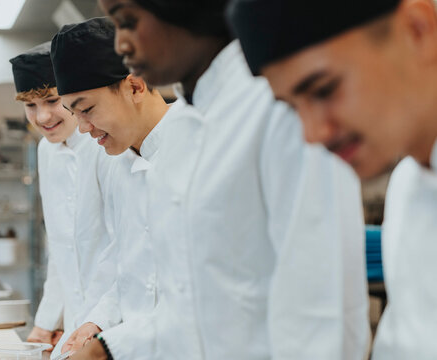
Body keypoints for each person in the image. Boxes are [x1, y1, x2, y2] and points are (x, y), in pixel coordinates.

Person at [67, 1, 369, 359]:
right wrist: (108, 347)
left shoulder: (277, 106)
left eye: (128, 21)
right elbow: (191, 306)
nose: (121, 45)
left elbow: (323, 307)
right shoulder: (180, 129)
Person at [228, 0, 437, 358]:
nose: (312, 133)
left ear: (418, 29)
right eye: (293, 107)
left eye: (324, 90)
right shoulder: (408, 186)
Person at [49, 18, 172, 358]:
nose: (84, 128)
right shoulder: (120, 165)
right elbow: (130, 271)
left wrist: (109, 348)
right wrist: (97, 324)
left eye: (87, 109)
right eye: (75, 114)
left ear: (135, 87)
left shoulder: (199, 152)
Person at [9, 42, 117, 354]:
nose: (42, 117)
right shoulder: (47, 150)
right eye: (30, 105)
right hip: (75, 321)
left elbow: (122, 249)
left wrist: (97, 320)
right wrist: (45, 322)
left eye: (52, 100)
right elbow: (60, 245)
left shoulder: (106, 145)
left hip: (113, 321)